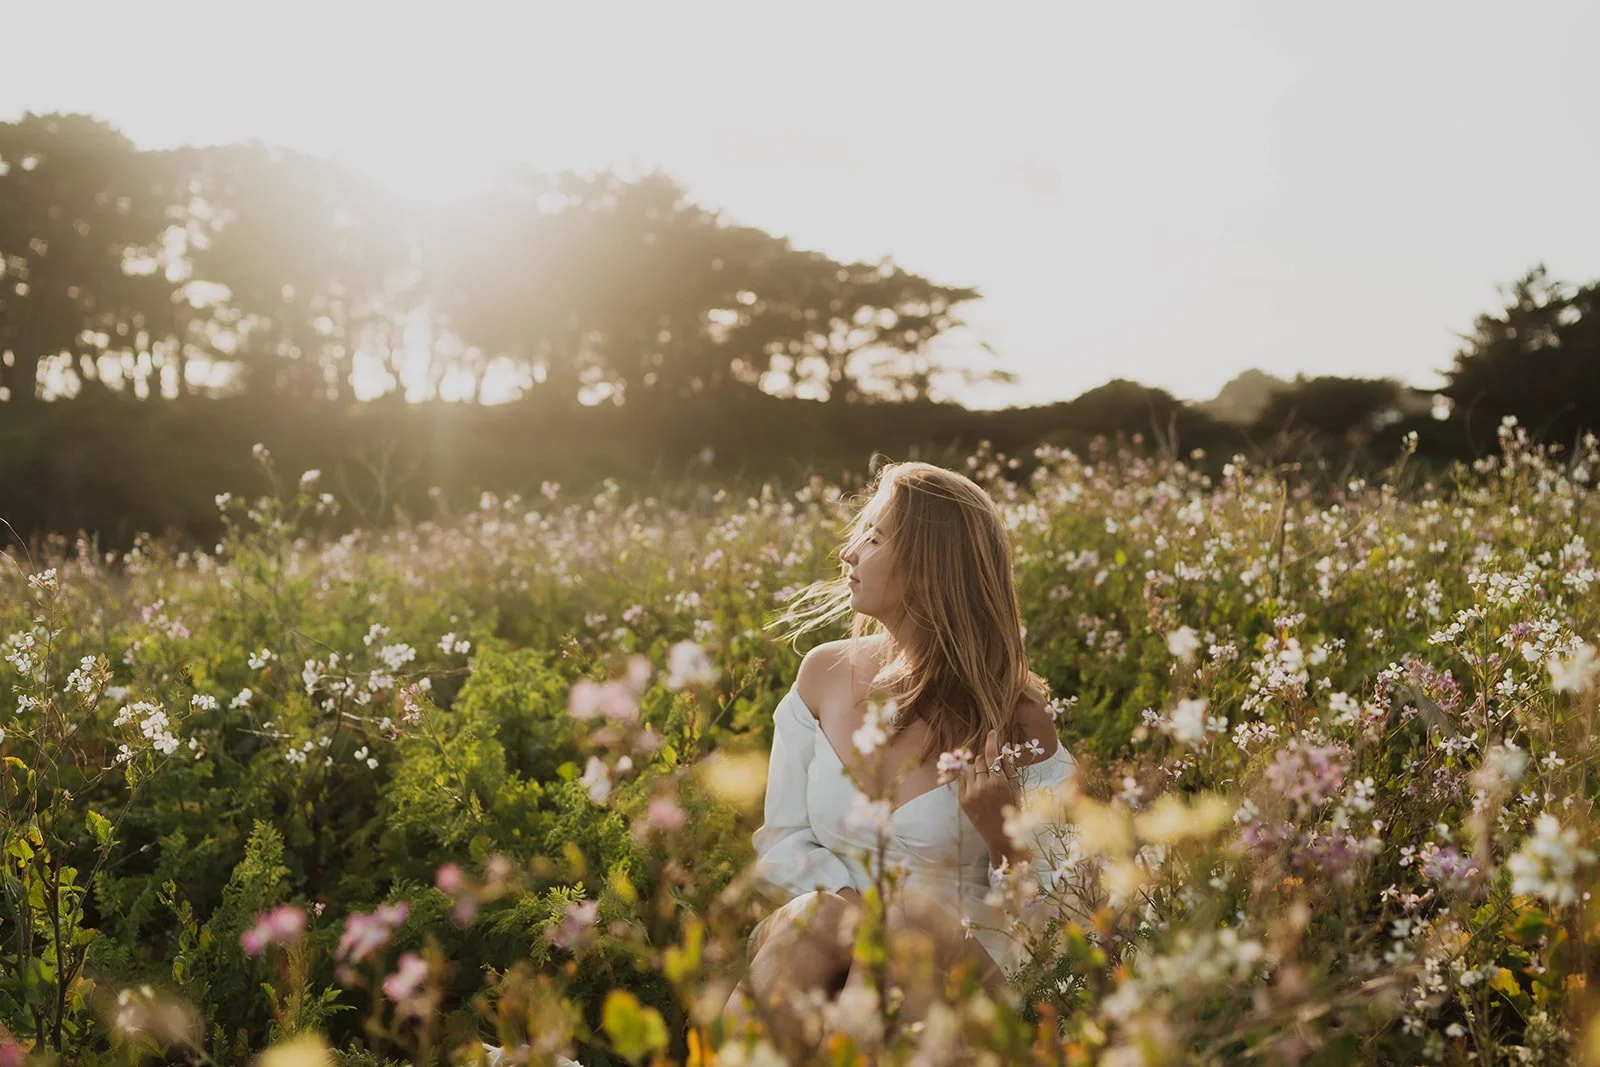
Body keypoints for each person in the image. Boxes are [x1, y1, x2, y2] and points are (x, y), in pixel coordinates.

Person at [722, 460, 1078, 1057]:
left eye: (874, 537)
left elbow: (1061, 915)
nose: (849, 553)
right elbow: (782, 842)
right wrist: (853, 909)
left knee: (906, 931)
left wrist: (1005, 841)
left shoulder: (1015, 720)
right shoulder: (822, 676)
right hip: (834, 929)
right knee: (811, 918)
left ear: (929, 565)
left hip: (965, 957)